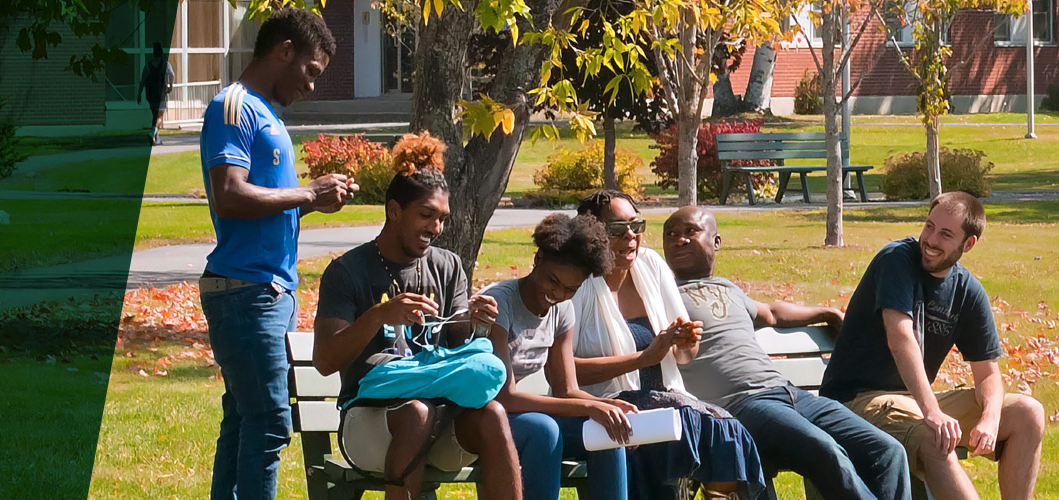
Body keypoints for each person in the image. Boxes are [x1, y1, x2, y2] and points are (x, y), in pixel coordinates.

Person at [198, 9, 354, 500]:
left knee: (244, 418)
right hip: (246, 292)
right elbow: (228, 195)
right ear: (284, 50)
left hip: (267, 292)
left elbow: (264, 211)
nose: (311, 86)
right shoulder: (234, 106)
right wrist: (308, 192)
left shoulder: (269, 116)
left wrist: (314, 201)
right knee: (268, 421)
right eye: (310, 71)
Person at [314, 132, 521, 500]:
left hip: (440, 419)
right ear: (395, 210)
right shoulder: (347, 272)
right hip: (368, 420)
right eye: (426, 215)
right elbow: (326, 361)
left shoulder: (448, 267)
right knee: (415, 413)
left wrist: (479, 325)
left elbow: (462, 348)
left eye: (441, 218)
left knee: (492, 415)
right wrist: (379, 315)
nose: (436, 229)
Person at [662, 206, 912, 500]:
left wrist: (826, 312)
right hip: (741, 406)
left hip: (788, 394)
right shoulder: (661, 297)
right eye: (671, 234)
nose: (680, 240)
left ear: (716, 241)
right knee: (826, 451)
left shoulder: (727, 288)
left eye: (691, 231)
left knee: (886, 450)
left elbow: (772, 313)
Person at [819, 192, 1046, 500]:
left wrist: (991, 417)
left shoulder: (968, 291)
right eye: (929, 226)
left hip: (909, 400)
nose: (930, 239)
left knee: (1027, 413)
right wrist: (932, 411)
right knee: (936, 436)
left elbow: (989, 374)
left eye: (945, 234)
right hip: (856, 401)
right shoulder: (897, 259)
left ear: (968, 244)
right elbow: (901, 340)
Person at [570, 190, 764, 500]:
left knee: (726, 431)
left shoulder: (651, 265)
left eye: (637, 225)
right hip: (609, 407)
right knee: (680, 421)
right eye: (618, 229)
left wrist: (685, 341)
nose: (631, 236)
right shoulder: (577, 283)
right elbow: (567, 375)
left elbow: (684, 355)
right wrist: (644, 358)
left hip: (667, 400)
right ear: (593, 235)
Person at [481, 213, 631, 500]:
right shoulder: (501, 303)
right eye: (553, 281)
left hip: (520, 414)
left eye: (571, 289)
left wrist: (608, 407)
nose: (558, 294)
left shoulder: (563, 311)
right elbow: (505, 398)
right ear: (538, 259)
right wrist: (590, 408)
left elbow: (567, 390)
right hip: (486, 417)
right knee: (543, 429)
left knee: (607, 432)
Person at [138, 42, 175, 145]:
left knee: (154, 116)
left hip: (150, 94)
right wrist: (170, 86)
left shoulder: (148, 65)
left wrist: (139, 93)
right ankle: (152, 132)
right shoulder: (165, 64)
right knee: (160, 117)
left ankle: (156, 140)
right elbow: (172, 75)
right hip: (161, 95)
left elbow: (143, 80)